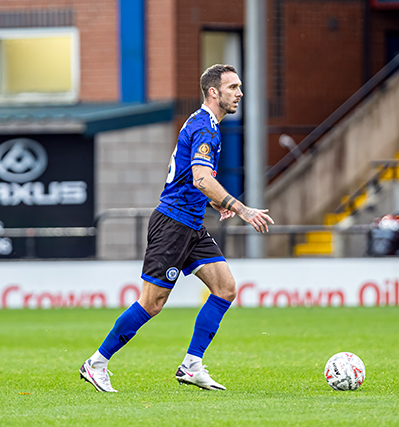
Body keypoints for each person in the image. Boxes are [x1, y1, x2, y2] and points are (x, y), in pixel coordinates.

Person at [79, 65, 274, 393]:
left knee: (225, 288)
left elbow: (191, 178)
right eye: (233, 87)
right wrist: (240, 207)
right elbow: (200, 177)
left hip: (191, 224)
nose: (239, 92)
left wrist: (216, 202)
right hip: (173, 225)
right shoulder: (205, 128)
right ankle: (96, 363)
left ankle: (191, 364)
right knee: (152, 303)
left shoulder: (204, 124)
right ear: (214, 92)